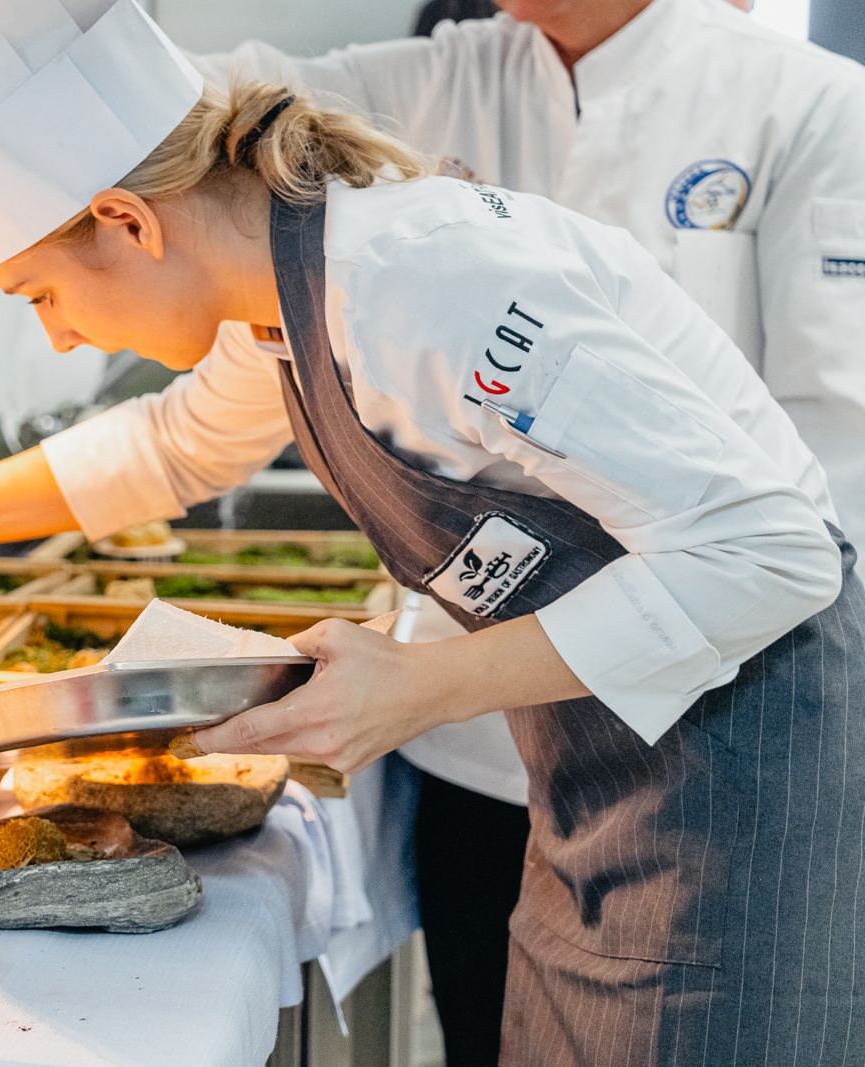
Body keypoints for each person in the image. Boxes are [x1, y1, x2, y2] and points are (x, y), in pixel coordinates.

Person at [0, 0, 865, 1063]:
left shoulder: (423, 283)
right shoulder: (289, 293)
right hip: (607, 784)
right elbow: (176, 443)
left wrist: (418, 686)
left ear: (127, 222)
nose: (59, 339)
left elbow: (772, 551)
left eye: (40, 295)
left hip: (743, 783)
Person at [183, 4, 865, 1059]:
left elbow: (819, 488)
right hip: (499, 747)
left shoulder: (808, 102)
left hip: (726, 731)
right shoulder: (438, 75)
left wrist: (444, 678)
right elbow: (197, 101)